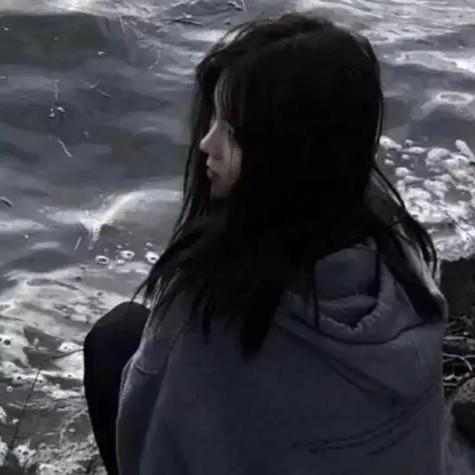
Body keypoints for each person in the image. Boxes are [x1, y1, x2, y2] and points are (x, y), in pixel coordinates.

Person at [83, 12, 447, 475]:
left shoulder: (206, 314)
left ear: (285, 153)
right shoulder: (402, 266)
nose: (206, 143)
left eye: (231, 133)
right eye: (214, 120)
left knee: (116, 338)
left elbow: (157, 457)